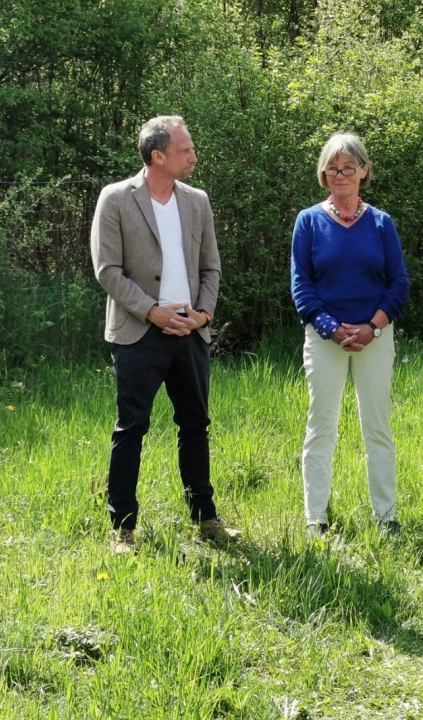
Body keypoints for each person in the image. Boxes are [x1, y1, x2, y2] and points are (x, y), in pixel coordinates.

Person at [90, 115, 240, 554]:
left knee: (195, 425)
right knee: (131, 428)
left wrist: (203, 315)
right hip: (139, 332)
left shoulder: (197, 201)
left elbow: (211, 267)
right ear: (158, 156)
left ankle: (206, 519)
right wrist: (152, 312)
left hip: (191, 333)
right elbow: (107, 271)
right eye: (185, 150)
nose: (194, 157)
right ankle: (123, 529)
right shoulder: (116, 198)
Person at [291, 133, 410, 537]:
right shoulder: (308, 221)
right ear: (323, 174)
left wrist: (373, 326)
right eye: (332, 168)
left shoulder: (381, 223)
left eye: (348, 168)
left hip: (375, 336)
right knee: (321, 425)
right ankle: (315, 518)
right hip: (324, 339)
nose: (340, 175)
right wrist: (330, 328)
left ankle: (386, 517)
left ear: (364, 171)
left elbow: (398, 282)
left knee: (377, 426)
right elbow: (301, 285)